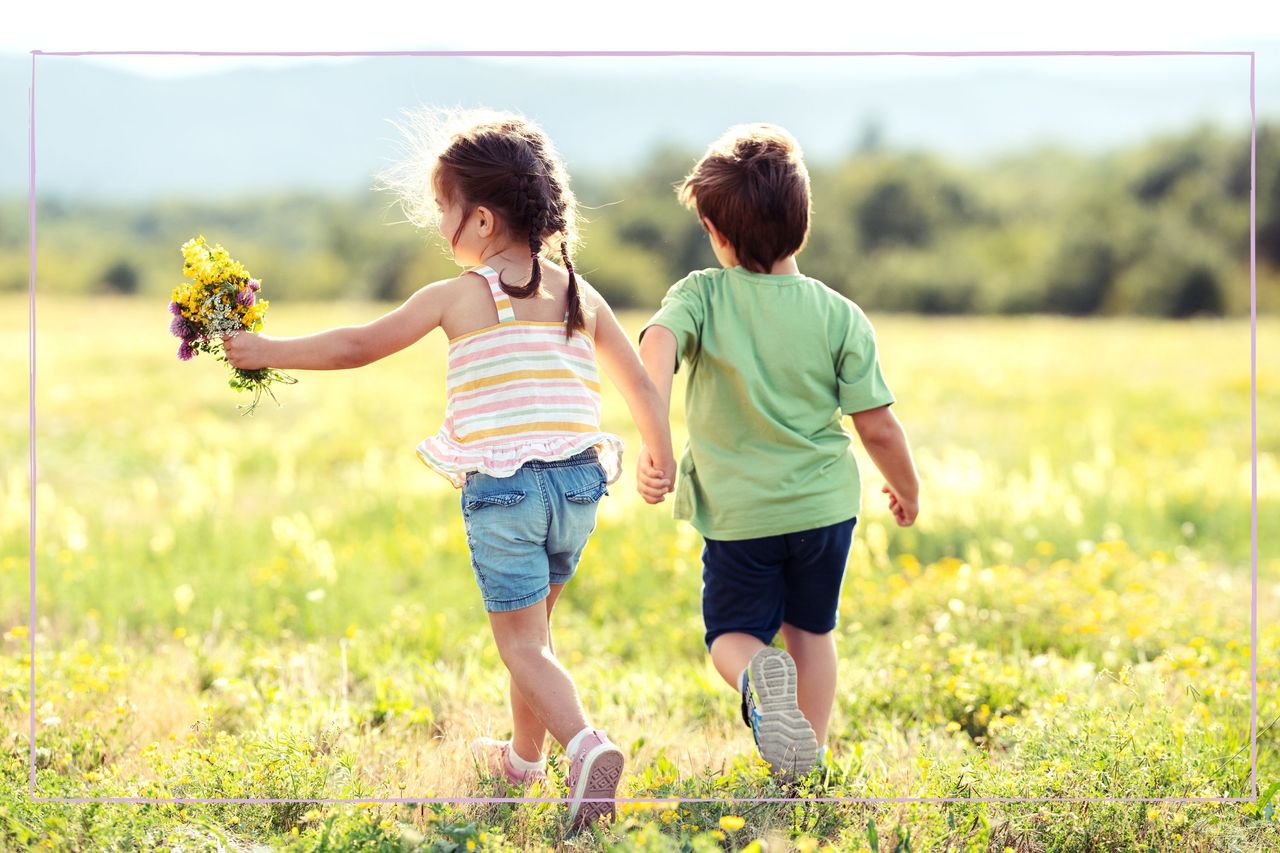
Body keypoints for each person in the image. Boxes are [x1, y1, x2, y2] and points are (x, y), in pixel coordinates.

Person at [224, 108, 676, 829]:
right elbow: (640, 386)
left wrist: (265, 349)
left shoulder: (459, 296)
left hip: (508, 493)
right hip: (578, 487)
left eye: (445, 209)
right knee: (539, 637)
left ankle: (585, 746)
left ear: (486, 221)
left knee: (522, 644)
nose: (440, 227)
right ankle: (524, 763)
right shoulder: (577, 294)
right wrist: (661, 456)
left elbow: (355, 345)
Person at [635, 123, 919, 778]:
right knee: (813, 634)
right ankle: (805, 766)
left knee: (732, 637)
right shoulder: (839, 313)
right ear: (803, 221)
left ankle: (759, 680)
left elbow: (654, 348)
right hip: (824, 511)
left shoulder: (700, 295)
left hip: (742, 517)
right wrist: (908, 488)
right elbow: (878, 426)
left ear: (717, 232)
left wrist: (656, 445)